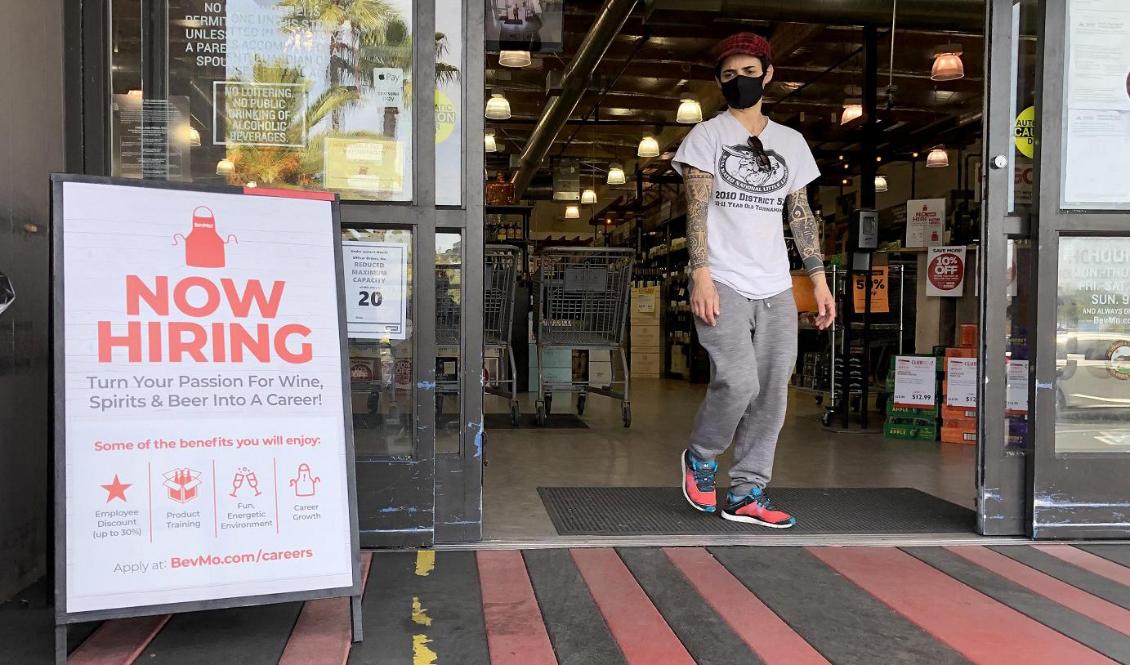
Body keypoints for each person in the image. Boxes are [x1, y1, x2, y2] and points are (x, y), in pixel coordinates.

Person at [673, 33, 835, 528]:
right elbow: (696, 213)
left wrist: (820, 280)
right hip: (721, 277)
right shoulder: (706, 136)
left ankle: (746, 491)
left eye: (747, 72)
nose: (737, 81)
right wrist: (699, 274)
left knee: (772, 393)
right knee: (739, 380)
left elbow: (801, 215)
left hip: (776, 286)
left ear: (767, 75)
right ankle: (701, 457)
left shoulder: (791, 142)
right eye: (727, 75)